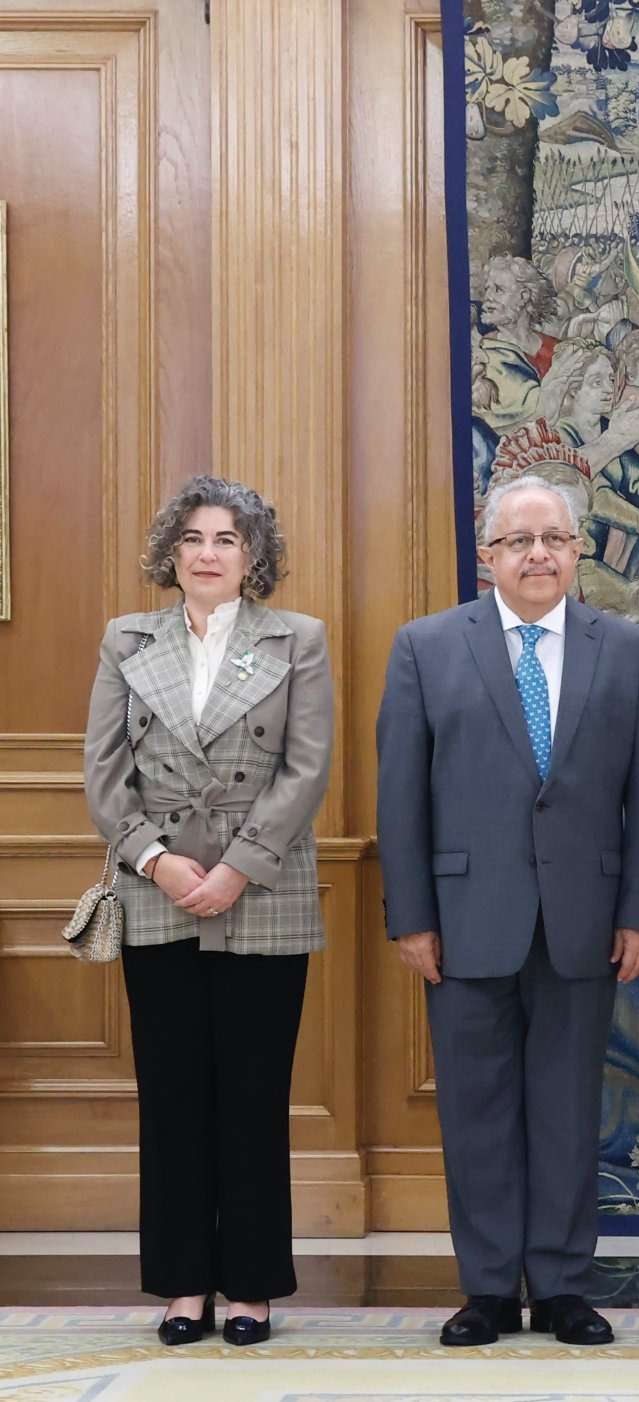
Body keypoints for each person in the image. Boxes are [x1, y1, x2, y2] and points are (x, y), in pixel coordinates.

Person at [375, 474, 639, 1348]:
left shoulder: (629, 650)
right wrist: (412, 917)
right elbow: (402, 797)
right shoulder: (427, 648)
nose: (538, 554)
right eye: (519, 540)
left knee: (566, 1107)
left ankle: (559, 1288)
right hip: (466, 918)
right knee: (475, 1109)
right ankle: (484, 1289)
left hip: (586, 919)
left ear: (578, 551)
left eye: (554, 539)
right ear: (489, 556)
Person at [83, 476, 334, 1348]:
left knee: (255, 1098)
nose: (208, 552)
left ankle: (253, 1288)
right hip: (158, 895)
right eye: (193, 538)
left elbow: (307, 769)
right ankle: (184, 1285)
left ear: (254, 555)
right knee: (174, 1098)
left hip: (262, 893)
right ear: (172, 553)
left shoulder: (298, 638)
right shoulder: (128, 639)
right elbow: (103, 771)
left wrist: (237, 869)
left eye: (228, 539)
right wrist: (154, 858)